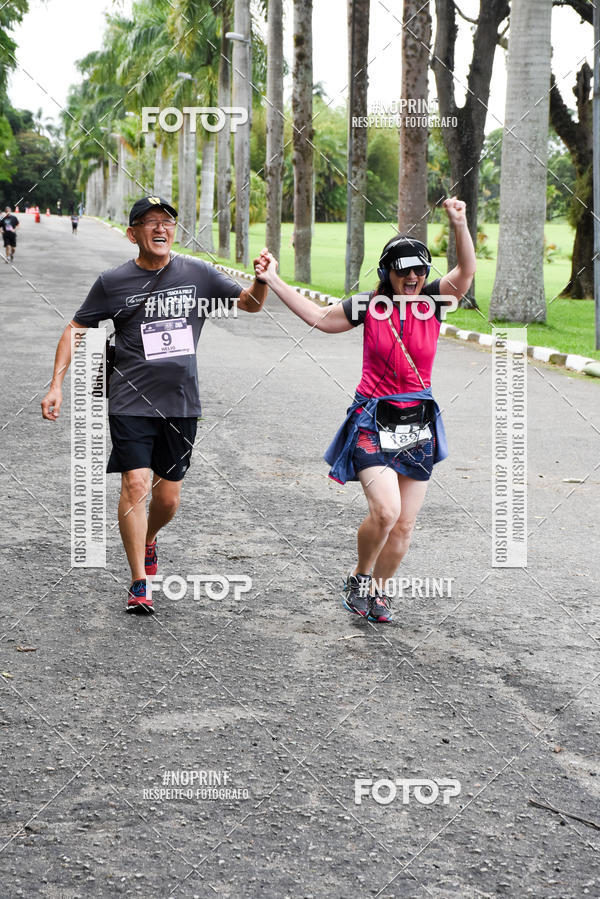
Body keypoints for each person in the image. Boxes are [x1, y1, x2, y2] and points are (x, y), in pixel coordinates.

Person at [41, 196, 270, 614]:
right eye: (150, 223)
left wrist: (261, 280)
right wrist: (56, 383)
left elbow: (249, 304)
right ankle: (139, 582)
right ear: (133, 234)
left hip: (181, 403)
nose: (160, 228)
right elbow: (76, 327)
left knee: (168, 499)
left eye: (167, 221)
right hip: (129, 401)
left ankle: (149, 537)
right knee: (136, 484)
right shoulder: (112, 282)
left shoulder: (196, 272)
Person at [254, 197, 476, 624]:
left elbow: (466, 271)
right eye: (403, 270)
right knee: (386, 512)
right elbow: (319, 317)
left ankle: (379, 591)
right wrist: (275, 279)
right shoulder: (368, 306)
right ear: (386, 273)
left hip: (417, 424)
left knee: (405, 527)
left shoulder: (434, 302)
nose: (412, 278)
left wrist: (459, 223)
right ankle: (359, 576)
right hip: (372, 420)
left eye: (419, 270)